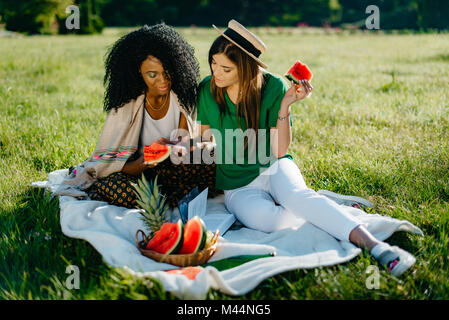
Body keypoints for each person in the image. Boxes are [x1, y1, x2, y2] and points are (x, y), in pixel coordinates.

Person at [196, 19, 416, 276]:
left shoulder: (273, 87)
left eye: (226, 68)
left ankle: (377, 247)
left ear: (246, 68)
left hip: (274, 165)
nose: (216, 73)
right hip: (237, 184)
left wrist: (285, 105)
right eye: (213, 63)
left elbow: (279, 152)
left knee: (298, 198)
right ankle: (323, 201)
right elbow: (205, 141)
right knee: (273, 222)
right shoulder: (206, 90)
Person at [64, 24, 221, 209]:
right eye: (152, 74)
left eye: (167, 71)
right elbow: (108, 160)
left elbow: (184, 141)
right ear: (138, 71)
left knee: (213, 155)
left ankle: (163, 197)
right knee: (122, 191)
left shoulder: (180, 99)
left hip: (171, 169)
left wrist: (179, 147)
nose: (162, 80)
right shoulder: (126, 106)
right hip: (133, 173)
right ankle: (172, 196)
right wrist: (138, 165)